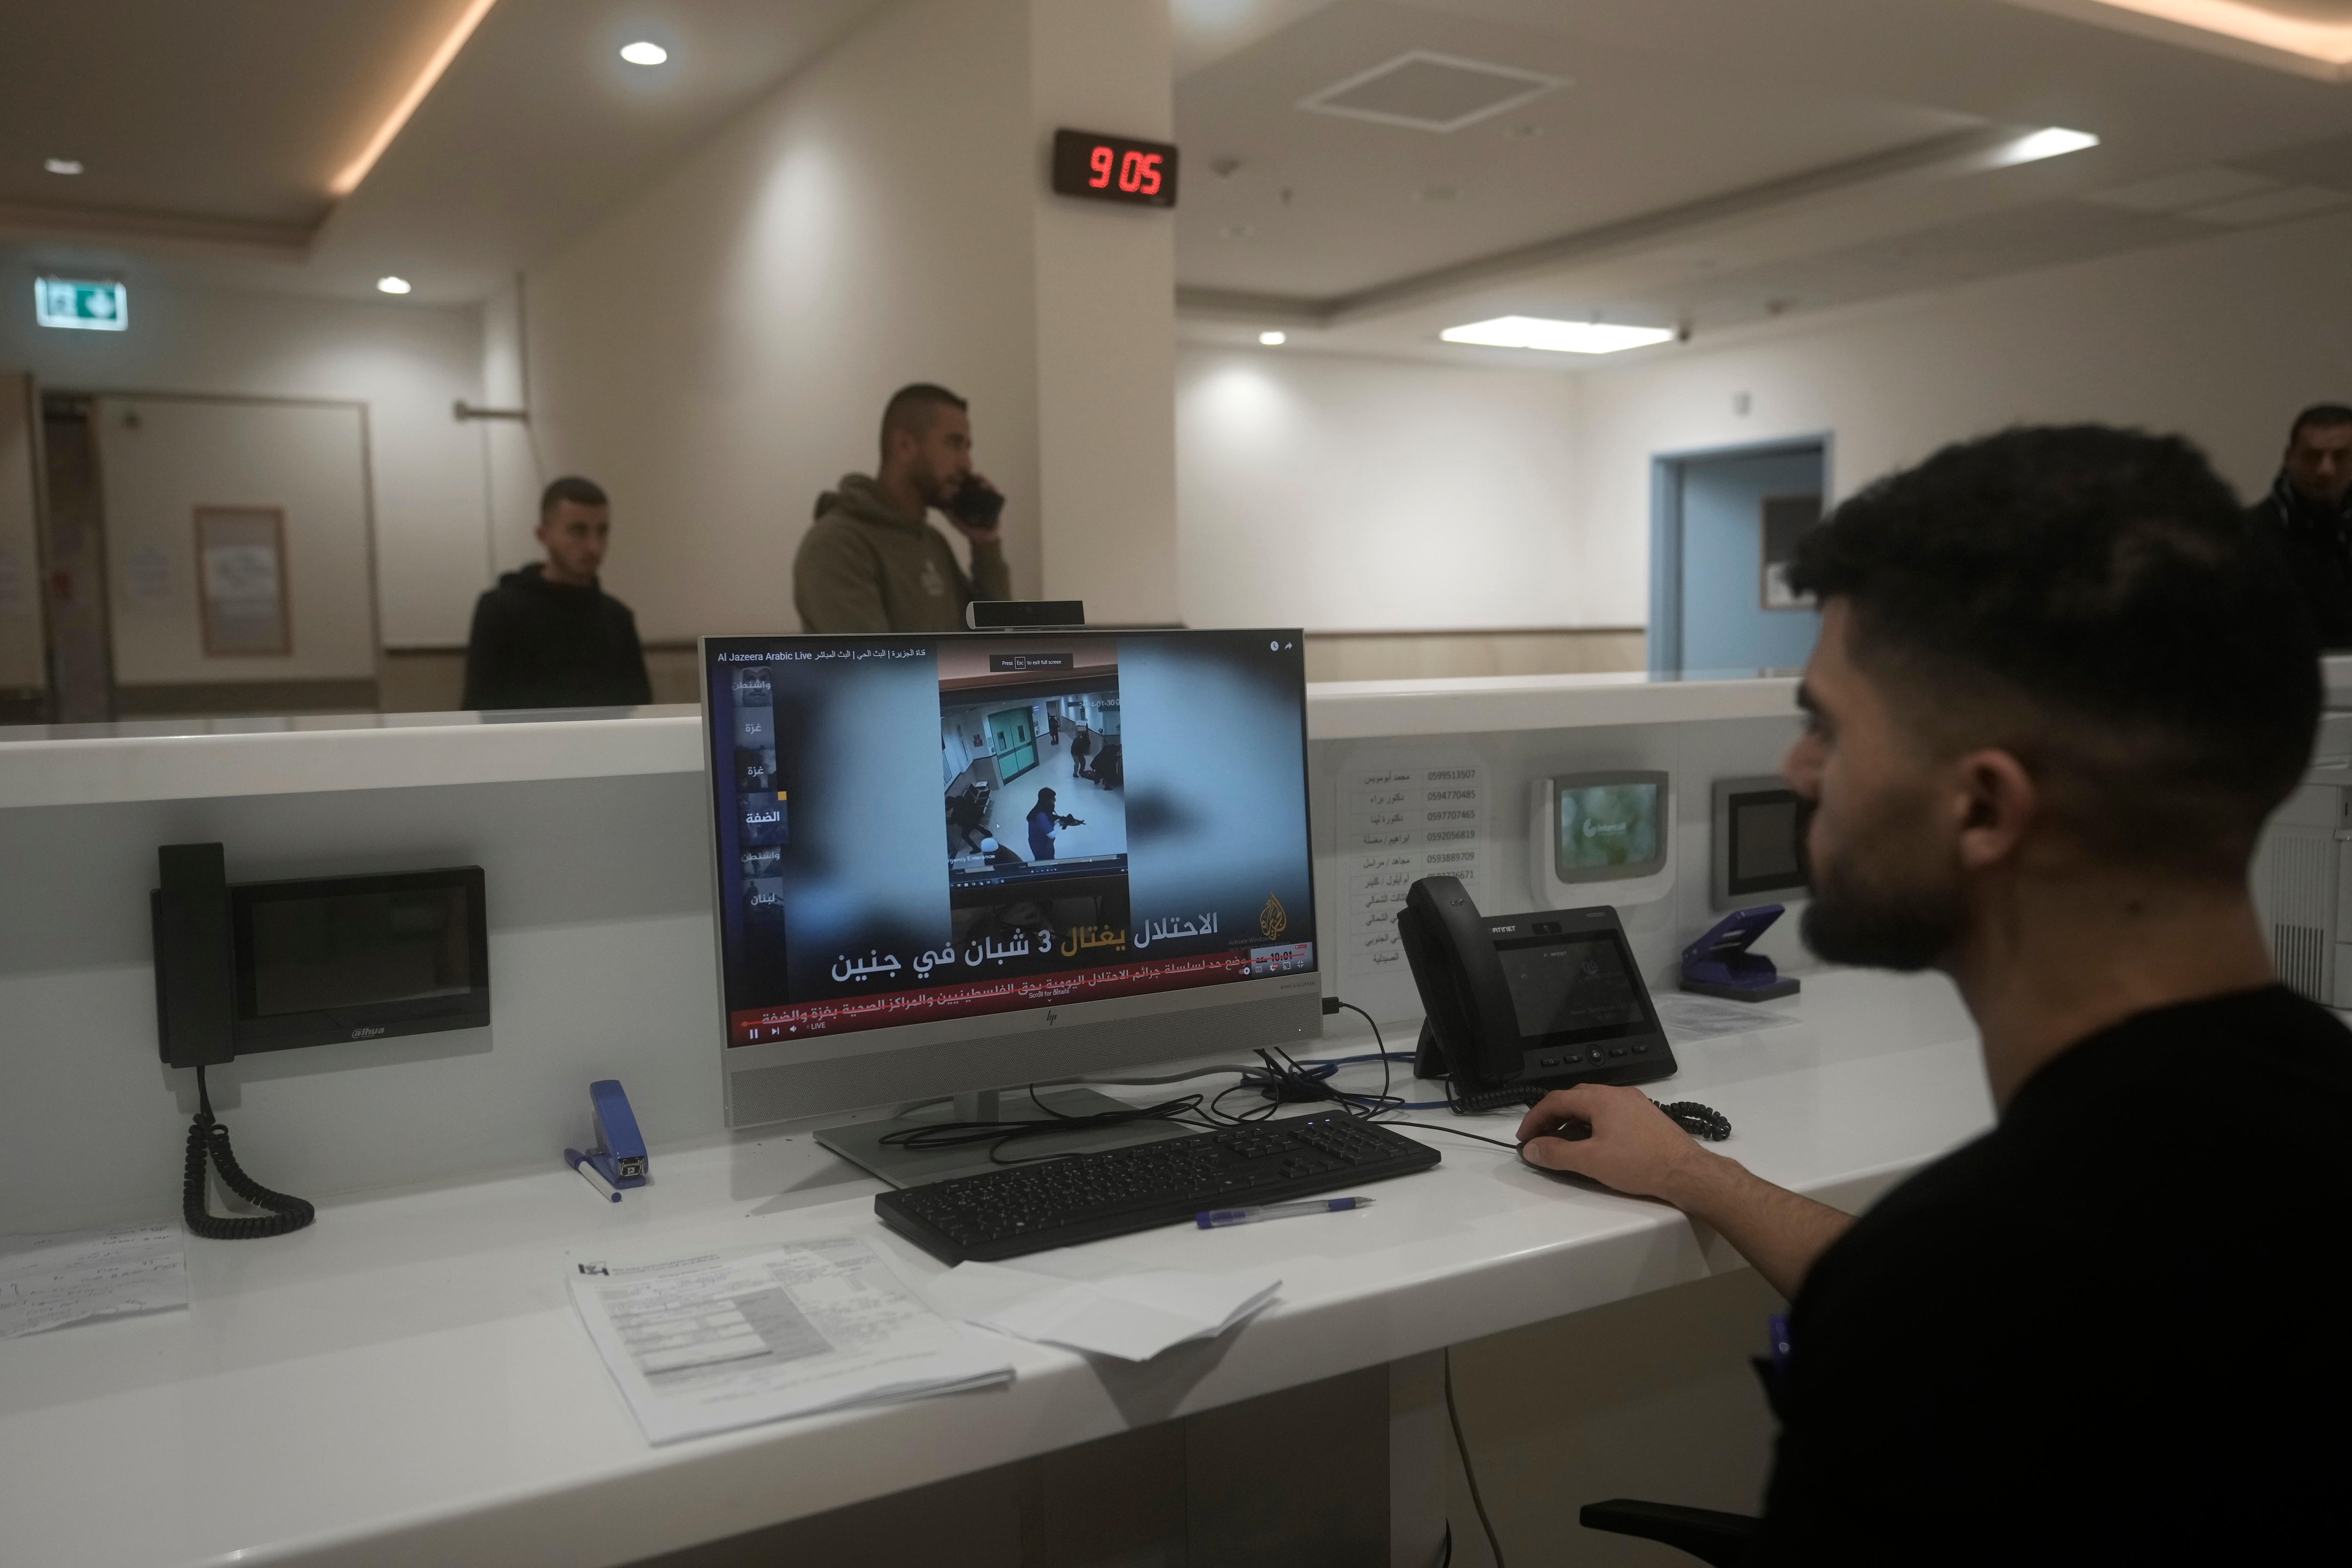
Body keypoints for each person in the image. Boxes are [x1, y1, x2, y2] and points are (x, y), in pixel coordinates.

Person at [1516, 426, 2344, 1562]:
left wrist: (1888, 1311)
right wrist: (1696, 1175)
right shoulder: (2278, 1132)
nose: (1798, 771)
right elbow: (1999, 1297)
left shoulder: (1948, 1313)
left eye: (1827, 728)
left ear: (1984, 809)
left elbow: (1956, 1302)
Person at [794, 383, 1012, 632]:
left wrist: (985, 544)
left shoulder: (932, 542)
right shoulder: (837, 545)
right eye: (954, 444)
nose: (967, 464)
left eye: (967, 448)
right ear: (905, 446)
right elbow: (871, 657)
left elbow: (995, 635)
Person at [461, 476, 652, 711]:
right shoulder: (501, 611)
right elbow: (480, 709)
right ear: (544, 535)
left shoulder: (617, 619)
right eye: (578, 531)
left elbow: (640, 711)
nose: (594, 546)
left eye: (602, 532)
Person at [2249, 402, 2352, 647]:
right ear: (2288, 458)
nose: (2326, 470)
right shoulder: (2246, 536)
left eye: (2340, 457)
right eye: (2312, 456)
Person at [1025, 788, 1083, 862]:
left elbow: (1052, 820)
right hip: (1042, 847)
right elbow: (1051, 834)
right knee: (1045, 863)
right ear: (1046, 801)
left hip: (1043, 845)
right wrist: (1060, 823)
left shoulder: (1041, 812)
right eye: (1053, 799)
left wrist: (1068, 822)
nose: (1055, 801)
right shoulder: (1041, 816)